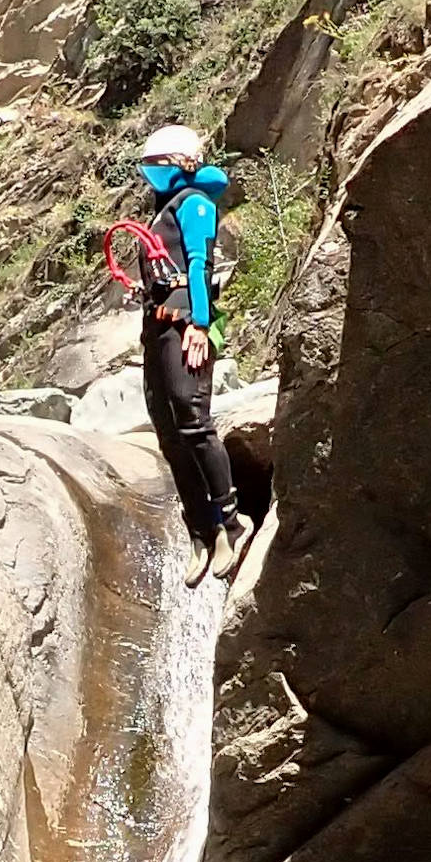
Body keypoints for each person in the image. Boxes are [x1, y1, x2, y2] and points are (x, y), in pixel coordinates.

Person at [129, 125, 254, 586]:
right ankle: (202, 530)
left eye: (159, 163)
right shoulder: (161, 211)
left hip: (186, 325)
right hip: (157, 328)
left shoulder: (196, 203)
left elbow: (201, 264)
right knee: (168, 432)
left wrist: (201, 323)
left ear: (182, 163)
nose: (151, 172)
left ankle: (232, 523)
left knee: (192, 420)